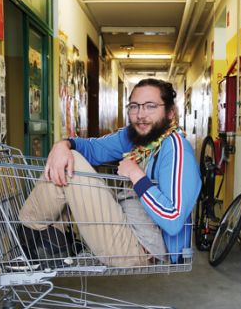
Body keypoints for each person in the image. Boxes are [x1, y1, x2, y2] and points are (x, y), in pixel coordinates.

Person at [19, 78, 200, 266]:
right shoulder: (135, 136)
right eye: (134, 106)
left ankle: (30, 236)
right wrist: (62, 145)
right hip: (126, 222)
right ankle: (47, 240)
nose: (140, 114)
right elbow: (93, 148)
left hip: (140, 248)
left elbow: (173, 220)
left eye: (150, 106)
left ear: (170, 113)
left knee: (70, 165)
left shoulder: (176, 149)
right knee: (68, 156)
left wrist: (136, 175)